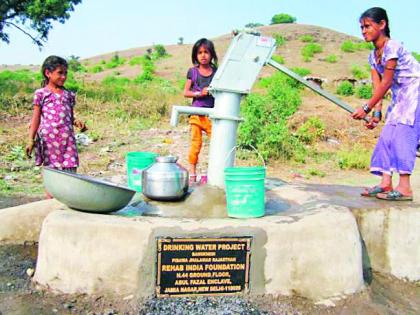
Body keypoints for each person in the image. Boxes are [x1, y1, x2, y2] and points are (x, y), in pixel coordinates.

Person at [352, 7, 420, 201]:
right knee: (387, 135)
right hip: (400, 94)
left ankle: (405, 188)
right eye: (362, 27)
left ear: (382, 25)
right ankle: (385, 182)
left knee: (402, 134)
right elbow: (378, 85)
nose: (364, 31)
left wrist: (365, 107)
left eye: (367, 26)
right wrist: (376, 113)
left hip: (416, 90)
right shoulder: (373, 56)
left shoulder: (393, 47)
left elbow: (387, 82)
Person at [26, 56, 86, 190]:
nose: (64, 76)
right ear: (48, 73)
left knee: (70, 173)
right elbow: (36, 118)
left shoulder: (68, 95)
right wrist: (30, 139)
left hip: (67, 141)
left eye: (65, 73)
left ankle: (68, 202)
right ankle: (51, 203)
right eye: (60, 73)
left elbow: (69, 116)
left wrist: (77, 122)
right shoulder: (41, 94)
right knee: (52, 175)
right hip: (49, 141)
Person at [183, 38, 218, 183]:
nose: (203, 55)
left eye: (206, 52)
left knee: (217, 144)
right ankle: (192, 172)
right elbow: (186, 92)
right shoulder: (193, 72)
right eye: (200, 53)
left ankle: (214, 172)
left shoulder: (216, 72)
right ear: (195, 55)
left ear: (211, 54)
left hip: (212, 115)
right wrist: (199, 93)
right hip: (197, 114)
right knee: (196, 144)